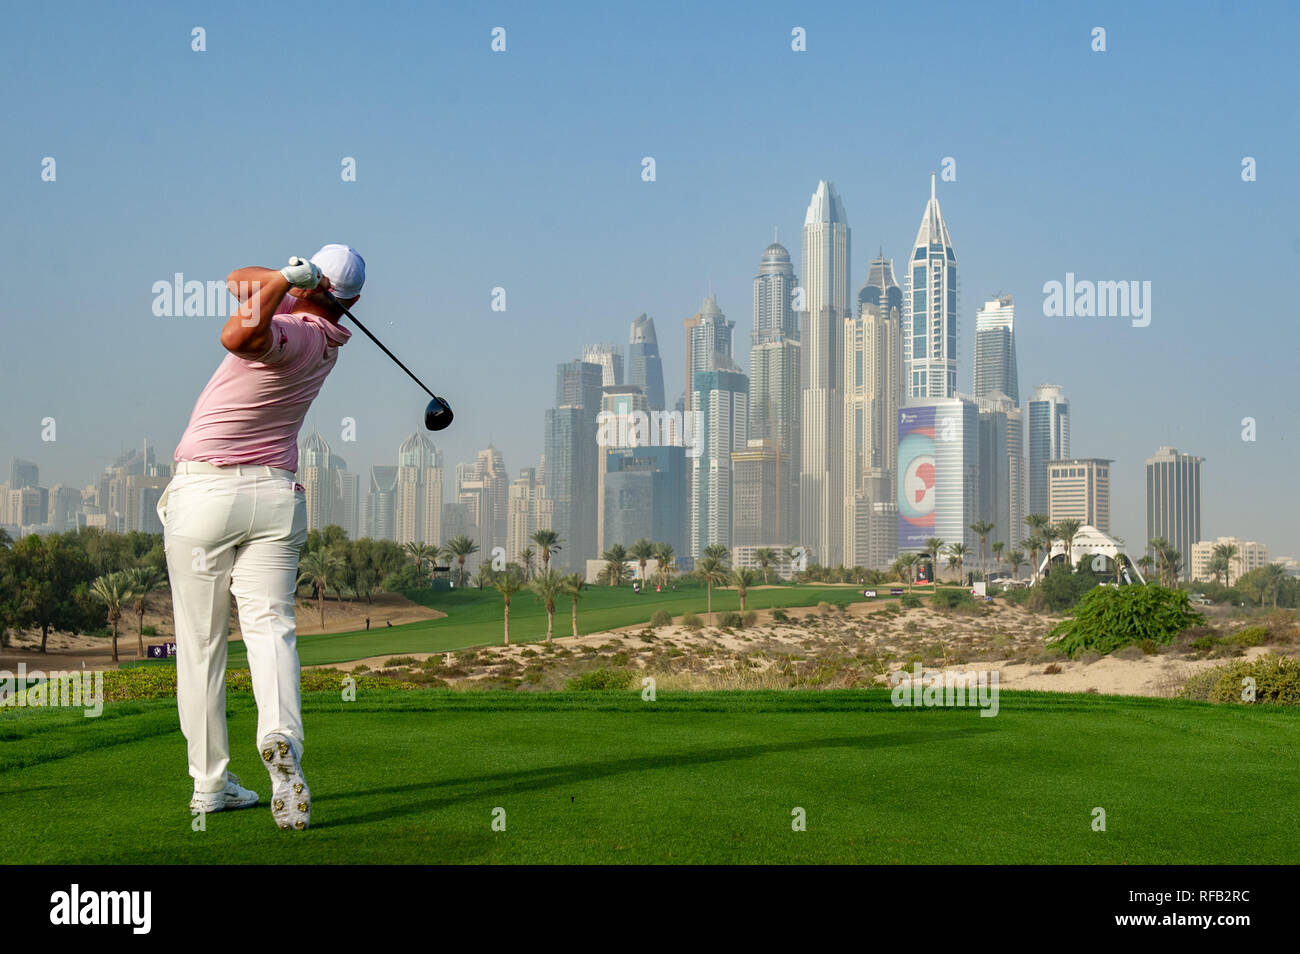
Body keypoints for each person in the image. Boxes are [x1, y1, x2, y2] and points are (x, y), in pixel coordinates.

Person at [158, 245, 365, 832]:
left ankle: (210, 785)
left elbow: (235, 336)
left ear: (312, 288)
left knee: (201, 647)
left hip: (207, 497)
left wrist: (284, 281)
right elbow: (235, 280)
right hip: (274, 499)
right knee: (270, 628)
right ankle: (280, 741)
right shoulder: (326, 335)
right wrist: (284, 277)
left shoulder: (295, 334)